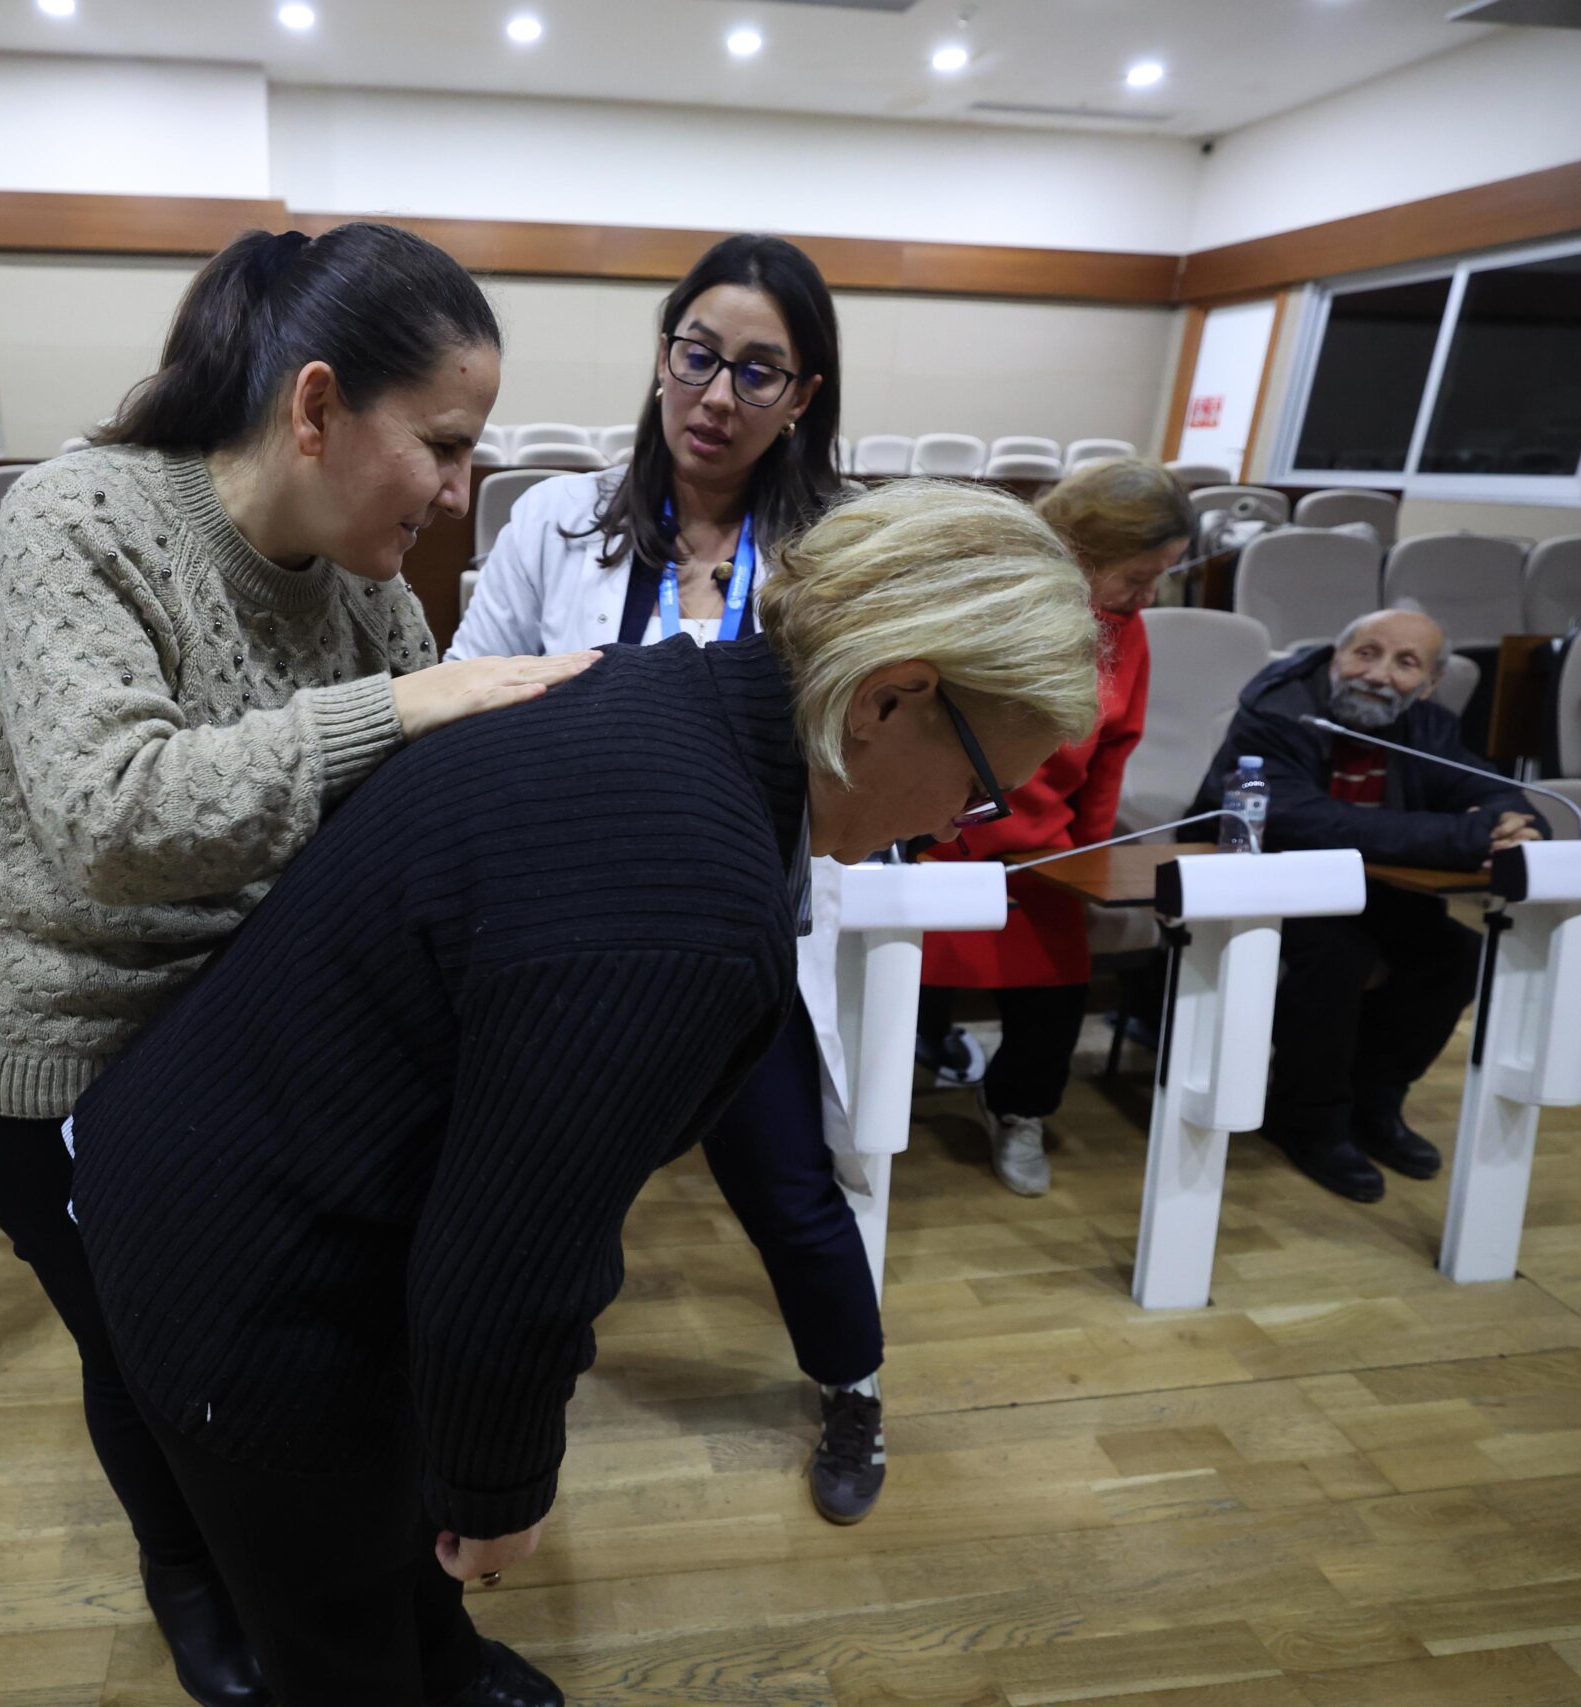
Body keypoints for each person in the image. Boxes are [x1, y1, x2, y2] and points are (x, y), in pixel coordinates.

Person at [67, 480, 1105, 1705]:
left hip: (241, 1158)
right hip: (247, 1271)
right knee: (337, 1631)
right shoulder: (690, 907)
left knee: (398, 1571)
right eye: (981, 785)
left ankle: (445, 1664)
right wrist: (499, 1489)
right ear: (890, 696)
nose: (956, 826)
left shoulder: (674, 686)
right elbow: (511, 1253)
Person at [0, 222, 596, 1707]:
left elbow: (397, 823)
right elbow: (118, 818)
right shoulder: (78, 520)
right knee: (169, 1370)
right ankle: (189, 1570)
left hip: (244, 1054)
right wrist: (407, 709)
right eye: (444, 444)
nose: (461, 492)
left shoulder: (367, 592)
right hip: (57, 1052)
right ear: (314, 406)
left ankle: (416, 1631)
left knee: (329, 1370)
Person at [447, 233, 892, 1523]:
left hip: (743, 935)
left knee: (790, 1189)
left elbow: (872, 751)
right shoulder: (556, 521)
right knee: (539, 1198)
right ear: (660, 356)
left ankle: (852, 1388)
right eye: (697, 357)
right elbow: (472, 694)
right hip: (571, 932)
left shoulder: (843, 547)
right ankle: (499, 1429)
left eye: (760, 373)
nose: (717, 397)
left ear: (803, 395)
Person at [1191, 608, 1544, 1204]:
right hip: (1267, 880)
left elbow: (1496, 794)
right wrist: (1464, 837)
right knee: (1337, 955)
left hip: (1370, 887)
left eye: (1405, 664)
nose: (1377, 675)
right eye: (1365, 653)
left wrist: (1519, 826)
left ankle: (1376, 1103)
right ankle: (1309, 1117)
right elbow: (1300, 819)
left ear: (1429, 685)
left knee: (1454, 955)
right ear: (1336, 657)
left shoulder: (1427, 725)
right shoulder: (1277, 713)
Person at [917, 458, 1188, 1196]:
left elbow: (1112, 750)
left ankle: (1019, 1110)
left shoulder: (1127, 630)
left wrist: (1091, 857)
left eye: (1162, 576)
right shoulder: (992, 597)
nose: (1150, 594)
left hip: (1042, 855)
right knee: (899, 978)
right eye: (1139, 574)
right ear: (1081, 551)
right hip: (939, 842)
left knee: (1055, 999)